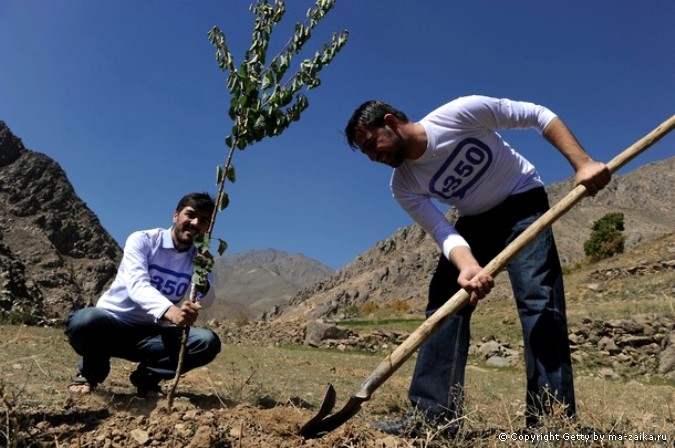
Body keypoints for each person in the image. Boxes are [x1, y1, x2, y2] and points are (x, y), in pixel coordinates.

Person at [344, 95, 611, 435]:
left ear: (391, 122)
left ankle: (551, 422)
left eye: (371, 144)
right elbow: (442, 229)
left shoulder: (460, 113)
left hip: (522, 202)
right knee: (444, 303)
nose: (373, 156)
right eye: (365, 152)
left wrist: (582, 162)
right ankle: (433, 418)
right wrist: (467, 266)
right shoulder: (403, 185)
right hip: (474, 221)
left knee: (539, 301)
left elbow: (538, 115)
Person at [64, 192, 222, 396]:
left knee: (207, 341)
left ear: (208, 228)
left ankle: (147, 378)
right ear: (176, 215)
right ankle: (91, 372)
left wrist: (202, 275)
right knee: (85, 320)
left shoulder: (199, 260)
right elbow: (137, 284)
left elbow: (207, 301)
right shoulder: (143, 240)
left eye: (203, 220)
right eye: (190, 215)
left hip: (151, 335)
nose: (194, 223)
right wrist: (170, 311)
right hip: (111, 325)